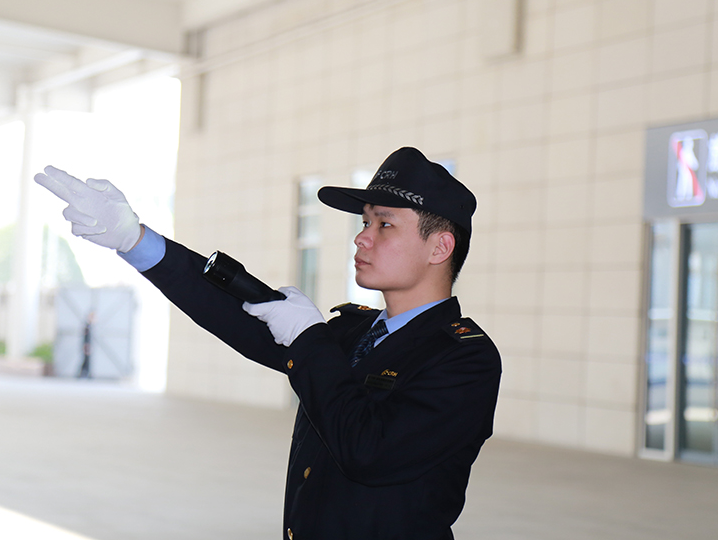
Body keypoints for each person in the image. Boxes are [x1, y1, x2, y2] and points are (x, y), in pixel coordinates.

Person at [35, 146, 501, 540]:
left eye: (384, 224)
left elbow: (369, 452)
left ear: (440, 248)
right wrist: (136, 240)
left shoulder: (465, 358)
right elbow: (239, 320)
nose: (361, 238)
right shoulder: (355, 332)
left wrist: (308, 337)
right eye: (364, 222)